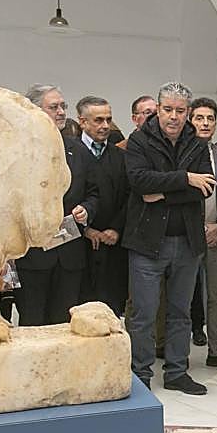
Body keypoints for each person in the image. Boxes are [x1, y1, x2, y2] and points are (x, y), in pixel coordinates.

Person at [124, 82, 215, 394]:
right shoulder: (139, 141)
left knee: (181, 313)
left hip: (187, 242)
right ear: (159, 110)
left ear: (187, 113)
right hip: (147, 243)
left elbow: (206, 187)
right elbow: (138, 181)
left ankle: (177, 372)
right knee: (144, 315)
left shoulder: (197, 144)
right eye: (167, 110)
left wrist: (161, 191)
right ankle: (141, 376)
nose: (173, 116)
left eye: (180, 110)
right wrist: (185, 179)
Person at [13, 84, 101, 326]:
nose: (62, 112)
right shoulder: (18, 151)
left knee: (63, 325)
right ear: (35, 111)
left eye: (63, 106)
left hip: (69, 256)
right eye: (54, 107)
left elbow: (94, 193)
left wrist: (87, 210)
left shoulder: (78, 150)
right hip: (32, 256)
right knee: (32, 323)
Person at [76, 96, 130, 317]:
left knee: (112, 309)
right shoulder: (69, 154)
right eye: (98, 120)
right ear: (82, 122)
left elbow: (130, 196)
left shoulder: (121, 157)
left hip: (113, 245)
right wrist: (86, 230)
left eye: (108, 119)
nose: (105, 125)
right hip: (79, 246)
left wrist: (116, 229)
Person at [188, 98, 217, 369]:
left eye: (210, 118)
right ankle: (176, 353)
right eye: (199, 118)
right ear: (190, 121)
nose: (205, 123)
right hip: (186, 235)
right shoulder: (180, 153)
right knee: (180, 297)